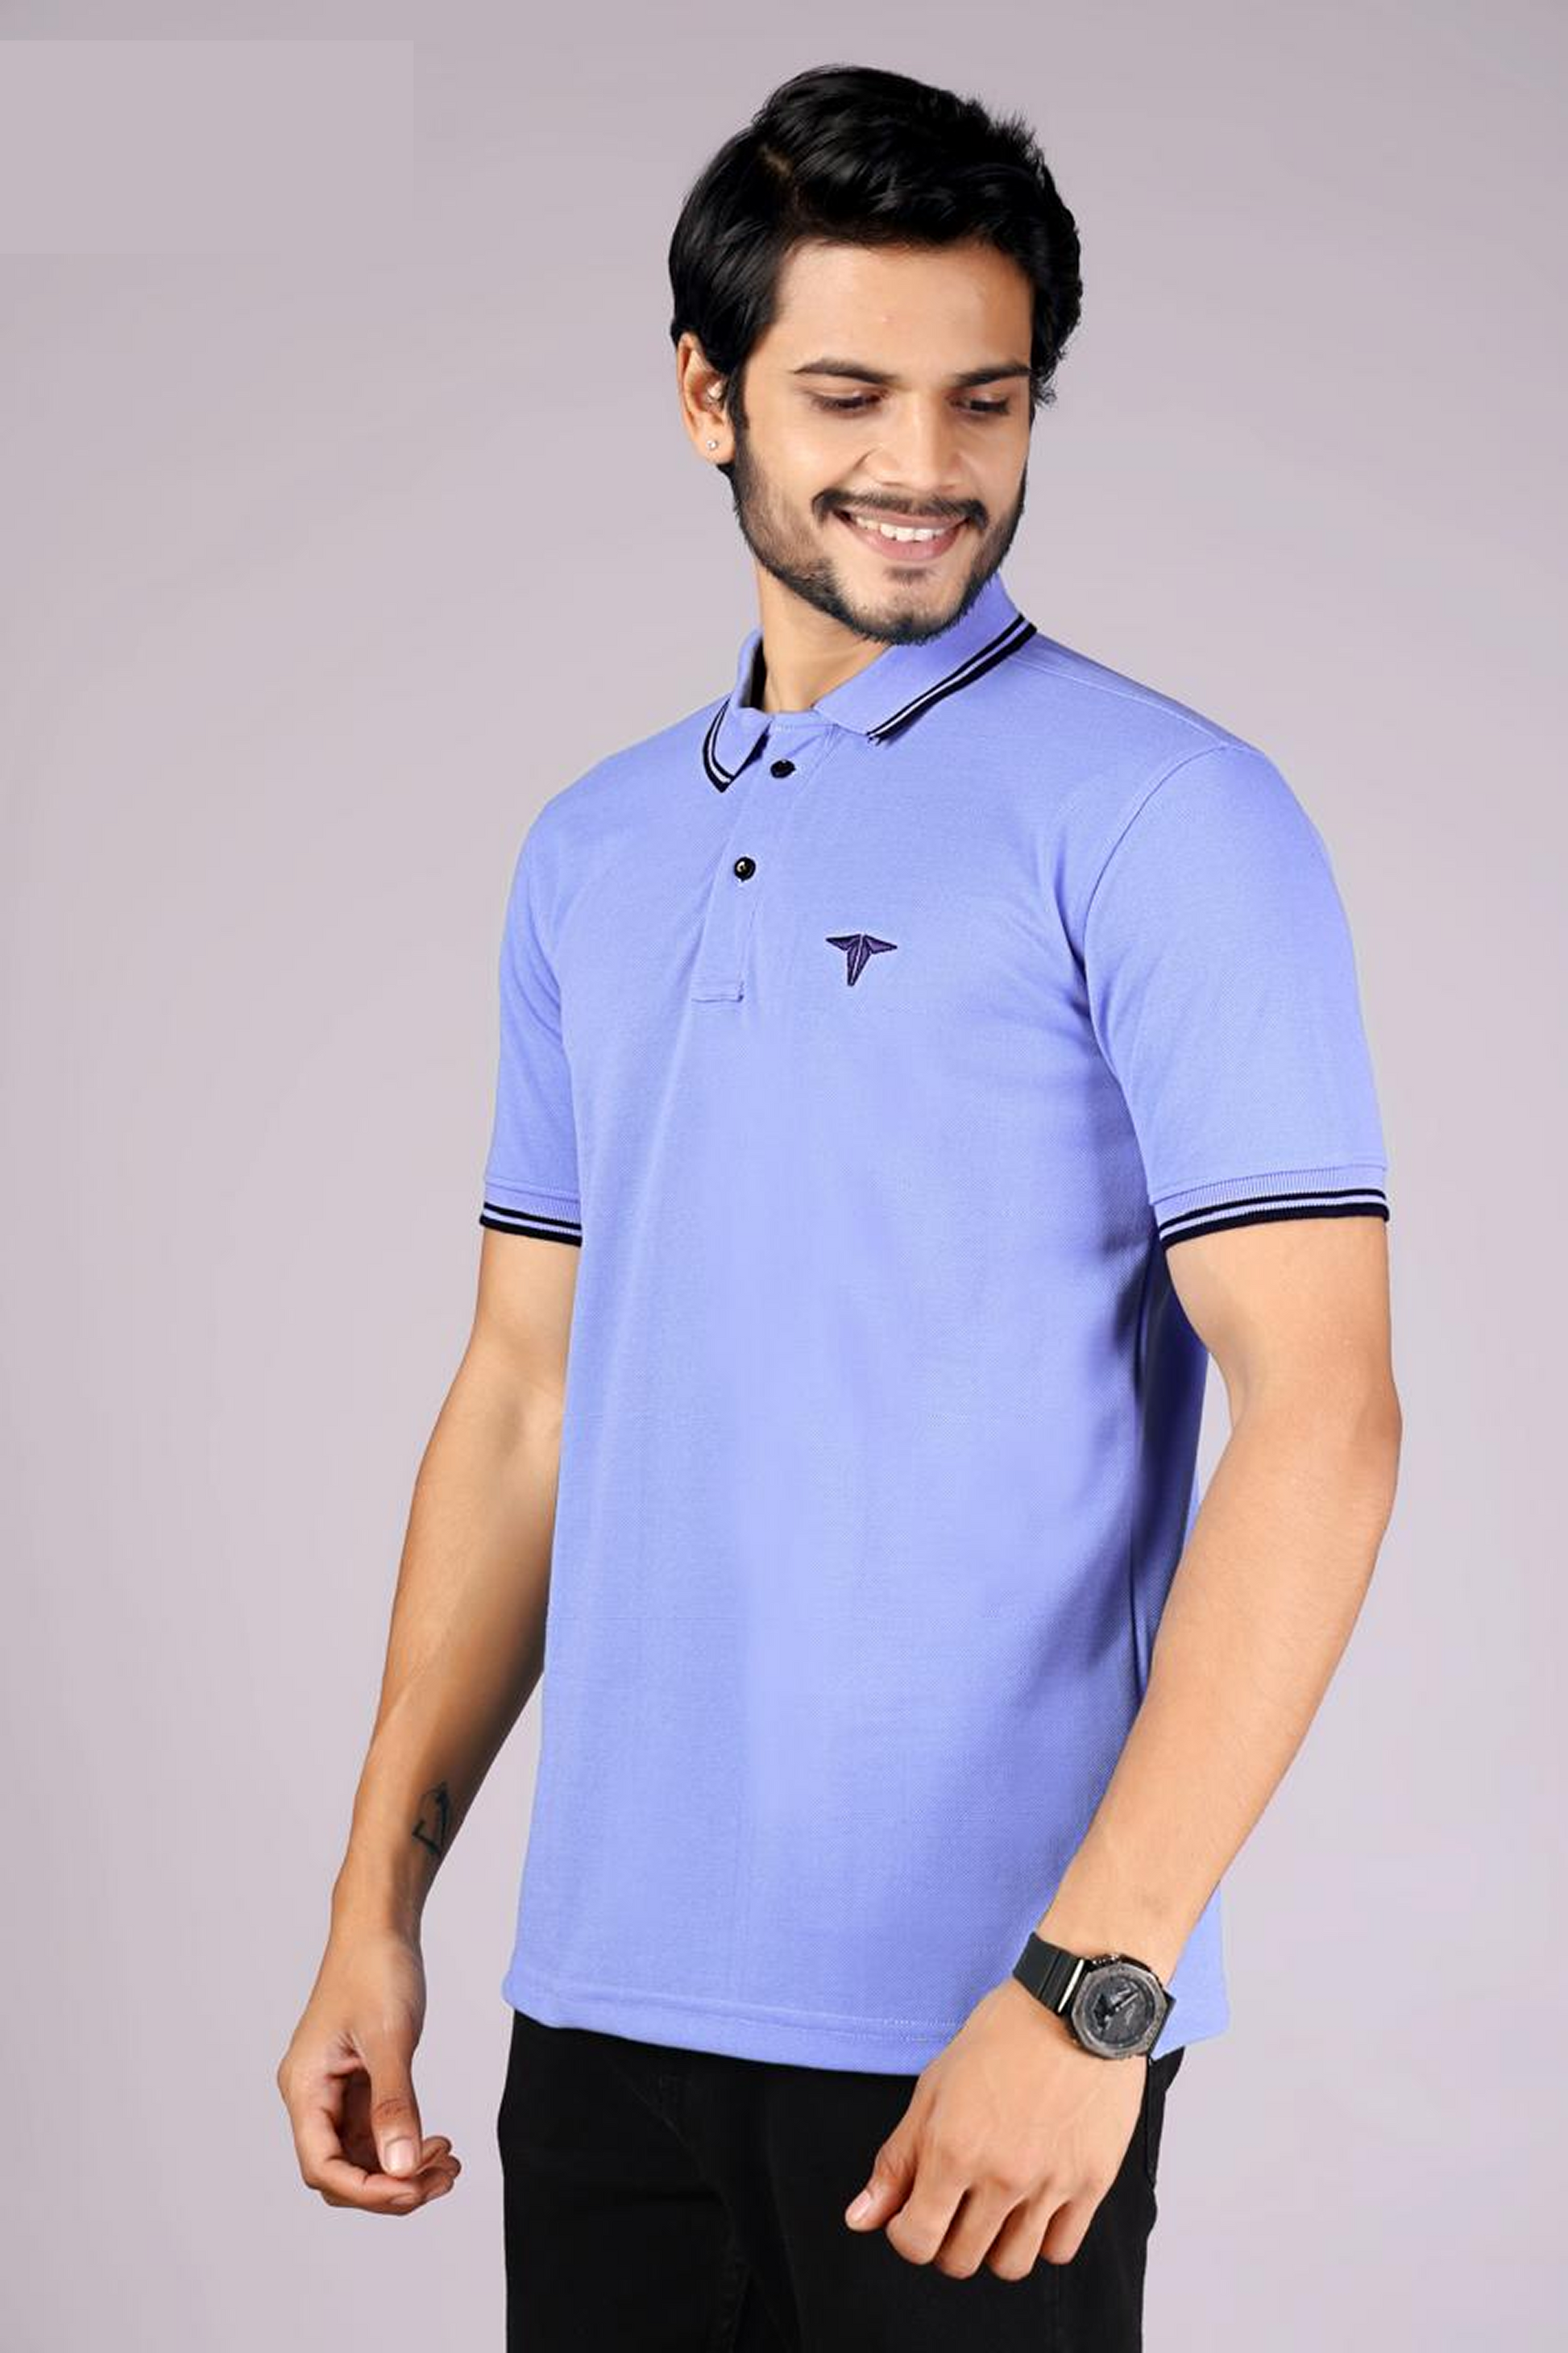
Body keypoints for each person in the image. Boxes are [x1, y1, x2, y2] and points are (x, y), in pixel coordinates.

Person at [276, 60, 1402, 2351]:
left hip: (985, 2022)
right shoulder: (590, 851)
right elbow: (523, 1399)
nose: (927, 464)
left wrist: (1094, 1991)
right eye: (850, 394)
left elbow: (1326, 1414)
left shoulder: (1169, 816)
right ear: (707, 396)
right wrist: (376, 1904)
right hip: (604, 2017)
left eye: (988, 397)